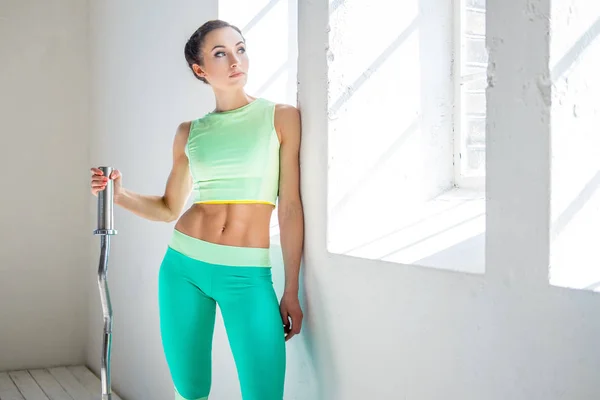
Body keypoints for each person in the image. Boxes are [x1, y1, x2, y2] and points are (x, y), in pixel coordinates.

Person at [90, 19, 304, 400]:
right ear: (200, 70)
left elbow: (288, 207)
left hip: (248, 275)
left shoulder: (281, 117)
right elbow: (170, 207)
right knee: (190, 391)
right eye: (220, 53)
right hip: (183, 268)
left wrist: (291, 289)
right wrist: (120, 195)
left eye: (240, 48)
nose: (235, 60)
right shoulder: (189, 132)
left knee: (264, 392)